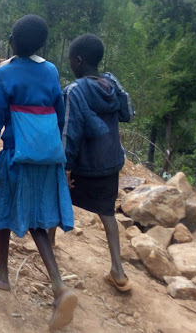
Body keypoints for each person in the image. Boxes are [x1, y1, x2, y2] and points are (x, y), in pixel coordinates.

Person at [0, 15, 77, 331]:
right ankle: (60, 286)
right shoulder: (50, 71)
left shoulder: (4, 73)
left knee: (3, 209)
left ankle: (4, 274)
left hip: (14, 156)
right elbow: (60, 119)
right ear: (41, 44)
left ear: (12, 43)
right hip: (46, 159)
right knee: (37, 222)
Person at [59, 33, 134, 292]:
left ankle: (49, 250)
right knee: (107, 214)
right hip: (110, 162)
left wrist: (65, 167)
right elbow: (128, 113)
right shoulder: (111, 83)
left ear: (77, 61)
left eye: (70, 60)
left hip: (83, 166)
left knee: (56, 202)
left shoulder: (73, 91)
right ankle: (118, 271)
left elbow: (70, 131)